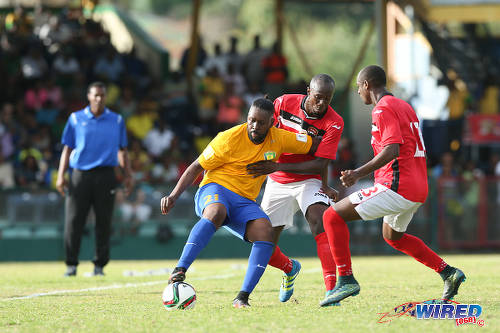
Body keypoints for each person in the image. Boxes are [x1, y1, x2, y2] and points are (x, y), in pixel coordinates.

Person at [320, 65, 466, 307]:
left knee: (331, 217)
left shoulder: (383, 109)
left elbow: (392, 150)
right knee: (393, 236)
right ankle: (448, 272)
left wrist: (357, 173)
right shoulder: (404, 106)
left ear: (367, 84)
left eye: (359, 87)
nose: (358, 92)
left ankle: (346, 279)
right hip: (418, 186)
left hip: (397, 185)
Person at [161, 98, 319, 308]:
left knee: (265, 231)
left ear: (272, 122)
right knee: (216, 212)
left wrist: (279, 165)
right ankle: (180, 269)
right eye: (251, 120)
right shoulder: (227, 139)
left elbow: (314, 145)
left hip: (244, 201)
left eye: (261, 122)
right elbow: (195, 167)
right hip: (215, 189)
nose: (254, 126)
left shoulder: (280, 138)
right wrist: (173, 196)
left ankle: (243, 297)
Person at [246, 74, 343, 303]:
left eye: (327, 99)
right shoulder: (283, 103)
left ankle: (332, 290)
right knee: (263, 242)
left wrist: (277, 164)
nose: (322, 104)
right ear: (308, 90)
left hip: (309, 179)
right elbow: (263, 130)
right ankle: (290, 269)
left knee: (320, 219)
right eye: (318, 97)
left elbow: (321, 163)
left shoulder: (335, 121)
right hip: (278, 180)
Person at [56, 82, 133, 277]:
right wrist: (61, 175)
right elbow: (67, 149)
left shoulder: (116, 120)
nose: (99, 98)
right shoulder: (76, 118)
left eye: (102, 95)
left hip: (106, 175)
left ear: (106, 97)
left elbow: (123, 151)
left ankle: (99, 266)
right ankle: (71, 265)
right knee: (74, 221)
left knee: (104, 221)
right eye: (95, 95)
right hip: (80, 175)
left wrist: (128, 175)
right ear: (88, 97)